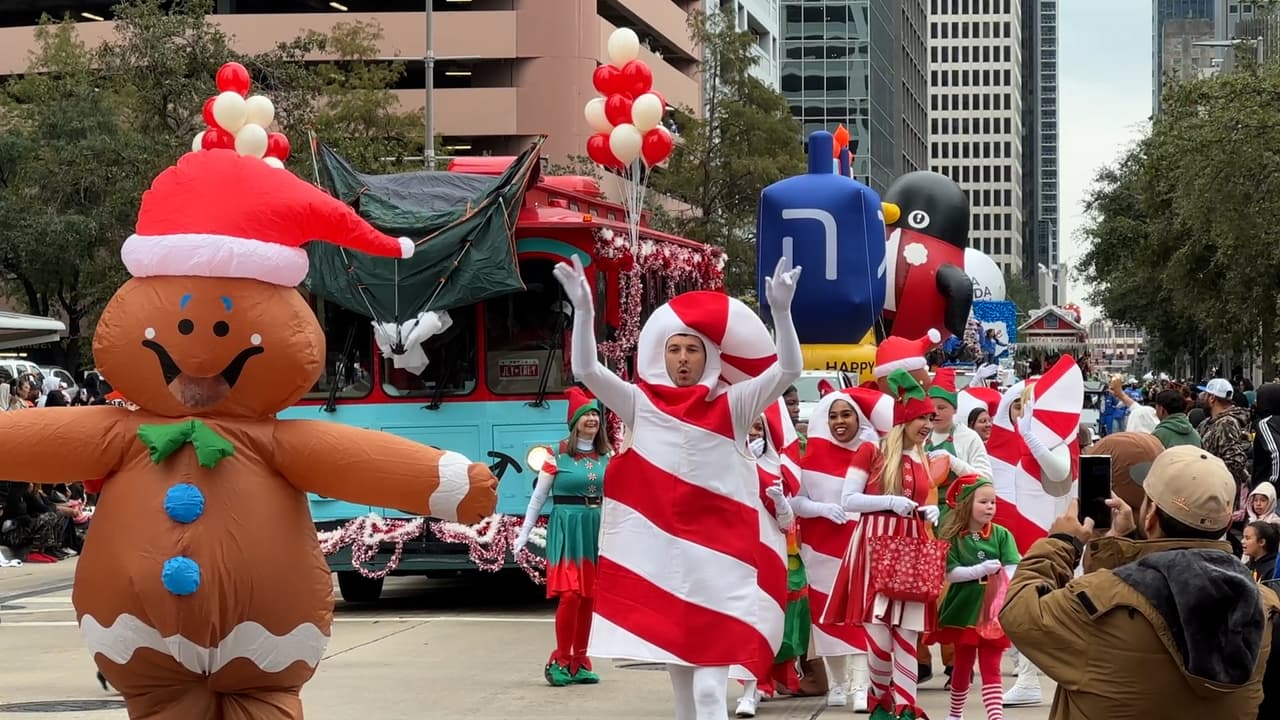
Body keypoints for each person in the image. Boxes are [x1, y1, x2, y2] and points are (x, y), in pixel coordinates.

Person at [552, 255, 803, 720]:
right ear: (660, 355)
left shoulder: (735, 403)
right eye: (674, 349)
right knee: (683, 697)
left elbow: (788, 370)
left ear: (709, 356)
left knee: (710, 694)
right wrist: (584, 313)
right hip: (666, 566)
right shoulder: (639, 404)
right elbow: (587, 371)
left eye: (692, 349)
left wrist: (782, 315)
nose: (683, 358)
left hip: (721, 567)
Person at [1000, 446, 1280, 719]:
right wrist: (1119, 547)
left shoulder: (1095, 601)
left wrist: (1062, 542)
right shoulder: (1265, 606)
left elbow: (1019, 612)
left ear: (1151, 516)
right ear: (1227, 522)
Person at [823, 369, 942, 720]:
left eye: (931, 418)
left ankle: (906, 706)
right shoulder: (871, 450)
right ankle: (880, 700)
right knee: (879, 633)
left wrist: (930, 510)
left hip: (911, 546)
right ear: (904, 418)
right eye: (922, 417)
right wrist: (889, 502)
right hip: (873, 547)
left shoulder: (922, 455)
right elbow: (849, 500)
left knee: (908, 629)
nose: (927, 424)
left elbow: (926, 493)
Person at [789, 387, 893, 712]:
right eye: (833, 415)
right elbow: (797, 501)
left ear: (858, 417)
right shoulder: (809, 459)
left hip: (862, 547)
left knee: (859, 615)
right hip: (821, 548)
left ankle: (861, 686)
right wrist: (820, 510)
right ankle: (838, 683)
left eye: (846, 414)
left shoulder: (875, 455)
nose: (839, 421)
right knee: (825, 616)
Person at [513, 387, 611, 686]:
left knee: (589, 599)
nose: (592, 419)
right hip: (567, 528)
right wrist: (524, 532)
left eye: (596, 414)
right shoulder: (556, 455)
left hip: (596, 529)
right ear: (575, 423)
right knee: (570, 596)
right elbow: (538, 497)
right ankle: (560, 659)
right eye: (586, 415)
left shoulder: (609, 455)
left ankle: (580, 661)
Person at [921, 367, 992, 685]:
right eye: (931, 407)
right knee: (920, 591)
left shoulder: (968, 437)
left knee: (954, 594)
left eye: (942, 407)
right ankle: (920, 661)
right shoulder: (916, 433)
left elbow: (985, 479)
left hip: (956, 523)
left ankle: (957, 664)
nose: (935, 413)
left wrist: (952, 463)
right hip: (922, 521)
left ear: (954, 409)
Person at [732, 400, 802, 718]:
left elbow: (786, 523)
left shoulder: (776, 468)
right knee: (742, 622)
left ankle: (759, 685)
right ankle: (749, 688)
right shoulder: (728, 464)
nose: (753, 433)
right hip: (736, 553)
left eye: (758, 427)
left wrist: (780, 501)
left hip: (771, 552)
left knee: (768, 621)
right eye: (748, 427)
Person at [932, 474, 1019, 720]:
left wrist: (1003, 584)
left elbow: (1013, 565)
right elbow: (951, 573)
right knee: (963, 663)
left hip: (992, 608)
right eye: (983, 502)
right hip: (965, 606)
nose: (990, 507)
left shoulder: (1001, 534)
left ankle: (995, 716)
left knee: (991, 664)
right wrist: (979, 570)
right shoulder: (952, 536)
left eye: (992, 502)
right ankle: (955, 714)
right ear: (966, 503)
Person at [1198, 378, 1254, 532]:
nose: (1200, 396)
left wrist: (1213, 476)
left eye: (1204, 393)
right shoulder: (1211, 422)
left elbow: (1235, 461)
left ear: (1212, 398)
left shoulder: (1226, 423)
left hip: (1217, 497)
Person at [1253, 383, 1280, 488]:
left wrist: (1272, 484)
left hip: (1268, 492)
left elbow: (1276, 453)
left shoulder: (1266, 423)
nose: (1256, 402)